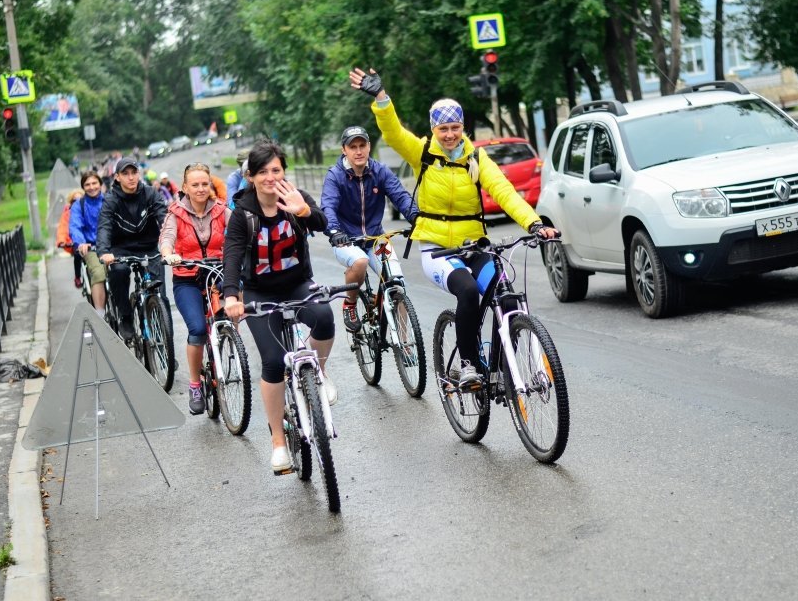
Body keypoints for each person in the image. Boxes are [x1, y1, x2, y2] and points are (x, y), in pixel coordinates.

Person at [349, 67, 559, 386]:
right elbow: (392, 133)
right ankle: (468, 363)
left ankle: (501, 366)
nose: (450, 134)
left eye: (455, 127)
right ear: (434, 128)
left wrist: (534, 223)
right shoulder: (423, 153)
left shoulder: (477, 159)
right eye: (443, 128)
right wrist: (381, 97)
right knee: (468, 290)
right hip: (437, 250)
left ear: (463, 127)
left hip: (474, 246)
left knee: (508, 296)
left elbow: (503, 192)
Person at [222, 140, 336, 473]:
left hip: (299, 283)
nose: (271, 177)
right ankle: (277, 443)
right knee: (273, 361)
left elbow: (322, 224)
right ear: (252, 177)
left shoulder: (295, 198)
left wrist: (303, 211)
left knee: (325, 318)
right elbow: (231, 256)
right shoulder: (243, 214)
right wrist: (231, 295)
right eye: (263, 172)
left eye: (277, 170)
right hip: (259, 294)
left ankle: (322, 372)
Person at [320, 125, 418, 332]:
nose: (358, 151)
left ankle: (405, 342)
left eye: (362, 145)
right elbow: (328, 206)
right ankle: (351, 304)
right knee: (360, 260)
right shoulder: (335, 176)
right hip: (346, 240)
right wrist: (336, 232)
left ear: (369, 146)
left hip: (376, 239)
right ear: (343, 150)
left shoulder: (380, 171)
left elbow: (400, 196)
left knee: (397, 285)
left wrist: (417, 217)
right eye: (352, 146)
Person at [159, 163, 231, 415]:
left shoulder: (222, 210)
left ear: (210, 185)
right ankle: (194, 384)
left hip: (216, 275)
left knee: (229, 314)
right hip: (187, 278)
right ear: (185, 187)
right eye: (195, 185)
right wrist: (169, 254)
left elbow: (237, 236)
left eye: (204, 184)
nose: (201, 189)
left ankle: (228, 348)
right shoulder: (175, 213)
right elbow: (167, 238)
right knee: (198, 330)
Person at [97, 157, 169, 341]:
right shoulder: (111, 199)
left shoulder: (150, 193)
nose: (131, 177)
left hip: (149, 247)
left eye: (134, 172)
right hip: (121, 249)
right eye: (125, 174)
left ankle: (166, 343)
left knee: (160, 294)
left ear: (139, 173)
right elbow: (104, 225)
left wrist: (169, 244)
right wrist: (104, 251)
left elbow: (165, 219)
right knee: (118, 272)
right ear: (118, 177)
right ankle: (126, 315)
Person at [68, 172, 108, 316]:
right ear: (83, 187)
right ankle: (100, 315)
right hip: (91, 247)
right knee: (97, 273)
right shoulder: (79, 205)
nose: (91, 187)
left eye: (94, 183)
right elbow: (75, 226)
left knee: (120, 271)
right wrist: (81, 243)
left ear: (100, 184)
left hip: (111, 246)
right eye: (87, 184)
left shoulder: (109, 201)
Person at [56, 188, 85, 288]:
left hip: (90, 242)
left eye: (80, 200)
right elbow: (63, 228)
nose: (77, 203)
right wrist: (62, 241)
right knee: (77, 254)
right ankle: (77, 277)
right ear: (70, 202)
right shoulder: (67, 214)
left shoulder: (88, 210)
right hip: (74, 242)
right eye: (74, 200)